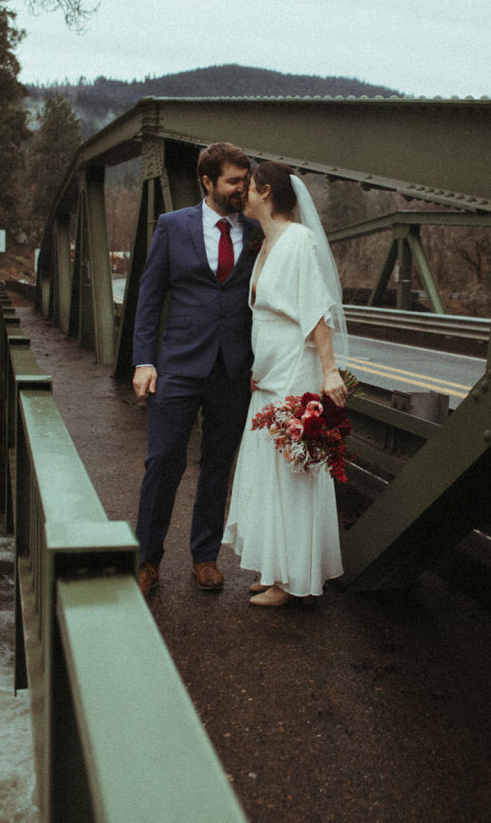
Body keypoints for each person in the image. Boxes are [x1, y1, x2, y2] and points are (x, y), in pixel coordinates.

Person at [132, 142, 257, 597]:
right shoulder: (171, 227)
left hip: (233, 368)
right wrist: (144, 361)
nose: (242, 188)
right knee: (163, 461)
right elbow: (149, 299)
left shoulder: (259, 230)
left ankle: (205, 557)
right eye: (233, 181)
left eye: (245, 180)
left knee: (217, 465)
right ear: (207, 182)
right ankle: (147, 559)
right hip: (179, 365)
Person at [222, 162, 349, 607]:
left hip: (296, 372)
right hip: (269, 375)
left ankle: (292, 580)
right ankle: (274, 567)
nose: (242, 193)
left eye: (248, 186)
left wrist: (330, 371)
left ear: (267, 192)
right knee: (267, 473)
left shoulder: (298, 241)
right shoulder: (267, 244)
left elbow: (316, 310)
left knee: (291, 474)